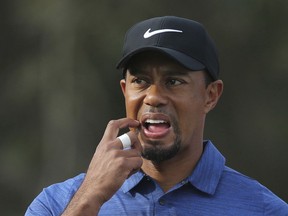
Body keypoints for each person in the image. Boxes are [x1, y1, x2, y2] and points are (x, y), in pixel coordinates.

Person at [25, 16, 288, 216]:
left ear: (210, 96)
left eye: (173, 81)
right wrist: (89, 199)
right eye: (140, 80)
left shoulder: (264, 209)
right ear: (125, 91)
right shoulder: (57, 203)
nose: (153, 97)